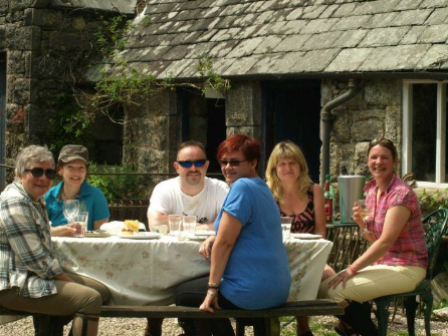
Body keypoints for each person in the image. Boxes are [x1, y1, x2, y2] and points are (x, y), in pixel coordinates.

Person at [175, 134, 291, 336]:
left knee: (183, 294)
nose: (228, 167)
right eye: (224, 162)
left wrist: (212, 289)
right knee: (196, 290)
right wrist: (215, 236)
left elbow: (225, 243)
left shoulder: (242, 187)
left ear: (253, 162)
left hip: (251, 291)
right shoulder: (262, 187)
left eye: (235, 162)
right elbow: (244, 230)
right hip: (277, 290)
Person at [319, 138, 428, 336]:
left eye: (384, 157)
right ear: (368, 160)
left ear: (394, 161)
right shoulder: (371, 190)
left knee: (335, 292)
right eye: (374, 157)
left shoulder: (400, 194)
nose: (378, 162)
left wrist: (352, 269)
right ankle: (356, 324)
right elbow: (376, 239)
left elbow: (385, 242)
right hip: (386, 264)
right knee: (320, 289)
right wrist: (362, 225)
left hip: (407, 267)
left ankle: (365, 330)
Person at [0, 145, 110, 336]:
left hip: (31, 275)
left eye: (49, 173)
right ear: (19, 174)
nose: (43, 178)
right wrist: (67, 281)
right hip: (14, 284)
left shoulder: (35, 198)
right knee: (90, 299)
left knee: (104, 291)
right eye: (36, 171)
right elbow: (36, 260)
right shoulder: (15, 201)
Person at [145, 140, 229, 336]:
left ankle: (199, 327)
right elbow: (156, 224)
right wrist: (209, 226)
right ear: (176, 167)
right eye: (186, 163)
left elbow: (227, 225)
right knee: (152, 270)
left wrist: (177, 223)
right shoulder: (165, 189)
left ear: (207, 165)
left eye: (199, 163)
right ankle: (155, 321)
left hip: (207, 258)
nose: (193, 168)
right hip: (168, 260)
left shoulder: (220, 188)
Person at [265, 141, 336, 336]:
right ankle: (276, 325)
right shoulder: (267, 194)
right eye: (282, 164)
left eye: (292, 163)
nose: (288, 168)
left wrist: (315, 258)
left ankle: (308, 326)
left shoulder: (314, 191)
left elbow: (321, 232)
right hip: (276, 256)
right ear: (274, 168)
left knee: (333, 277)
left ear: (301, 166)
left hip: (309, 253)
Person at [45, 144, 110, 236]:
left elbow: (102, 235)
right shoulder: (48, 196)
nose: (76, 173)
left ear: (86, 171)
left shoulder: (96, 196)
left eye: (81, 168)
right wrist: (58, 231)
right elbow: (38, 232)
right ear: (59, 169)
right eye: (70, 167)